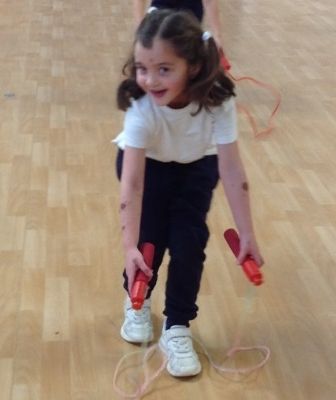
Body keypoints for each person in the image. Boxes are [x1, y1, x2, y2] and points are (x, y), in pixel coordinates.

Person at [114, 9, 264, 377]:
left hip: (196, 166)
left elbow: (232, 171)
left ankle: (177, 325)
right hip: (147, 167)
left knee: (188, 243)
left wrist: (247, 233)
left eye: (164, 69)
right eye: (142, 68)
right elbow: (132, 185)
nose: (150, 79)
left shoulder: (217, 99)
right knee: (150, 239)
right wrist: (130, 247)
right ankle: (137, 301)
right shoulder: (140, 106)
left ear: (193, 67)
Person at [133, 0, 223, 49]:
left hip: (190, 18)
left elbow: (209, 1)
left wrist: (217, 36)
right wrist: (140, 27)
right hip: (160, 15)